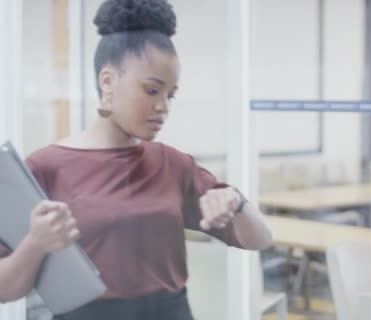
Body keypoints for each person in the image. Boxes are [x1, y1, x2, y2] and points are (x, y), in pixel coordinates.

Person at [0, 0, 272, 319]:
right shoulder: (44, 167)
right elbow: (7, 289)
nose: (163, 107)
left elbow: (260, 239)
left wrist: (236, 203)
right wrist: (35, 243)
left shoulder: (175, 165)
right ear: (107, 81)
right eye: (151, 90)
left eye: (170, 95)